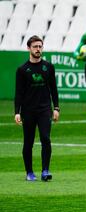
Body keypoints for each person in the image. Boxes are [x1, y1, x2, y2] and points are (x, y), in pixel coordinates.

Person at [14, 35, 59, 181]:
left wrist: (56, 108)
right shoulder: (22, 69)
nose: (38, 49)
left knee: (46, 138)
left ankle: (45, 170)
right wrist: (17, 112)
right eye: (35, 47)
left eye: (40, 46)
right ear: (29, 48)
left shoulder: (48, 67)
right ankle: (29, 172)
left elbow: (53, 89)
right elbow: (18, 93)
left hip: (45, 109)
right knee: (29, 141)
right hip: (28, 111)